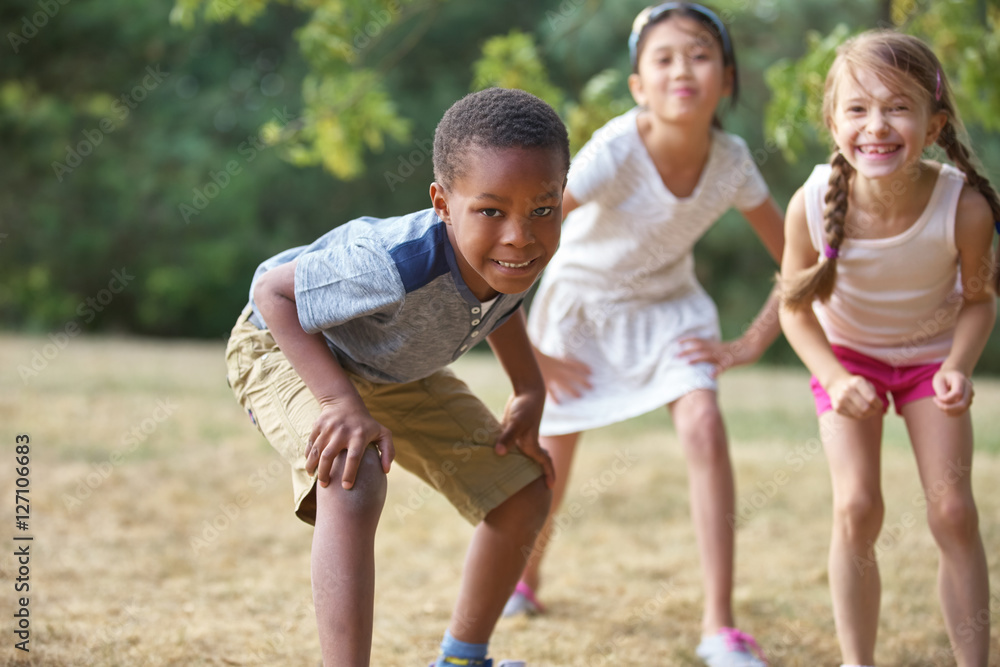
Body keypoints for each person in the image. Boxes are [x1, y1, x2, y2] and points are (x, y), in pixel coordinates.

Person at [225, 86, 570, 667]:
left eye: (543, 209)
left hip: (391, 368)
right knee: (353, 472)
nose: (520, 234)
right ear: (441, 201)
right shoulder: (391, 264)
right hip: (286, 345)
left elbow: (500, 305)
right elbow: (274, 291)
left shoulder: (516, 253)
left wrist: (530, 390)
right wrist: (337, 400)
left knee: (523, 489)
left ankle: (462, 658)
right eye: (491, 210)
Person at [504, 4, 785, 666]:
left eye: (699, 55)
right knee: (551, 458)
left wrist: (750, 343)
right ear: (638, 86)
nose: (681, 69)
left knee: (703, 422)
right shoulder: (614, 150)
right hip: (582, 309)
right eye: (662, 58)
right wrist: (534, 349)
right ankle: (523, 578)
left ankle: (720, 624)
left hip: (667, 307)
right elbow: (520, 233)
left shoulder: (735, 162)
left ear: (726, 78)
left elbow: (796, 260)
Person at [778, 30, 999, 667]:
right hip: (848, 360)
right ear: (833, 122)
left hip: (931, 362)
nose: (877, 125)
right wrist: (834, 376)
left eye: (898, 107)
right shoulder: (811, 204)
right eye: (858, 108)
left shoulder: (966, 207)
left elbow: (980, 300)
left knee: (953, 510)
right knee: (857, 506)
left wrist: (957, 366)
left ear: (934, 126)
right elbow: (795, 308)